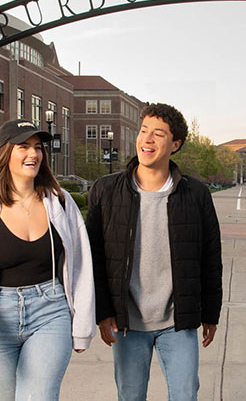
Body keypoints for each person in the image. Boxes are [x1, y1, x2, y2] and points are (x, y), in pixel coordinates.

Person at [86, 103, 223, 401]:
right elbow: (94, 257)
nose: (147, 140)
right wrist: (103, 312)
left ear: (175, 144)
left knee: (185, 393)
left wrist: (211, 313)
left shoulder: (195, 194)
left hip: (178, 320)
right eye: (143, 131)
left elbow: (210, 258)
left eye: (158, 134)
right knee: (131, 395)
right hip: (128, 321)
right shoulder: (105, 190)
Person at [0, 119, 96, 400]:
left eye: (38, 147)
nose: (33, 154)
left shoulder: (60, 202)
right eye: (23, 147)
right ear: (5, 153)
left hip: (50, 312)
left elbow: (80, 266)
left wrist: (82, 326)